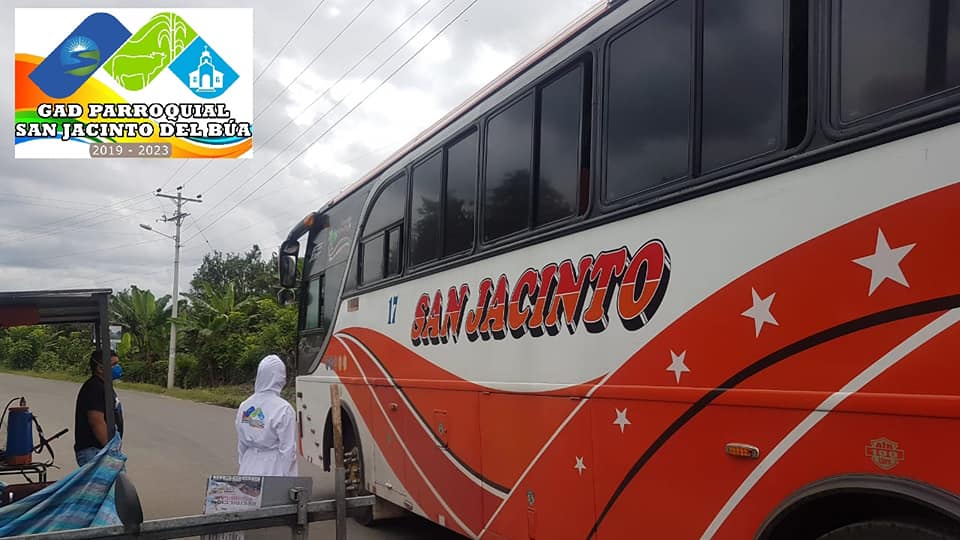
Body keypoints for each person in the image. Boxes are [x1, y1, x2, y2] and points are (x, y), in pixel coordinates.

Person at [235, 355, 298, 477]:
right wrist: (289, 479)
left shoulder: (245, 406)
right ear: (280, 378)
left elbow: (241, 445)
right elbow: (288, 450)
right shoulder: (283, 409)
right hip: (273, 467)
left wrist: (244, 465)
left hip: (248, 464)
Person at [74, 349, 124, 467]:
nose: (118, 368)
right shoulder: (95, 388)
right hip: (95, 452)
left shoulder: (104, 386)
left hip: (100, 450)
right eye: (114, 365)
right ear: (100, 368)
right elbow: (96, 421)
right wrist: (110, 449)